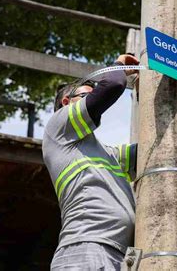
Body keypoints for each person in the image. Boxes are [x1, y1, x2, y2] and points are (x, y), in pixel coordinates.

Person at [42, 54, 140, 270]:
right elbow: (113, 84)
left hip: (117, 256)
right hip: (85, 250)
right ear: (66, 102)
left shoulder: (105, 152)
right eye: (86, 95)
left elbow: (149, 156)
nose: (92, 99)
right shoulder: (58, 128)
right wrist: (120, 63)